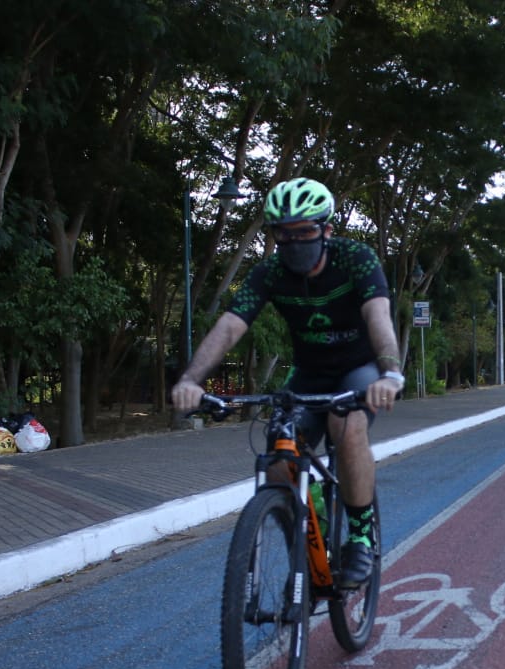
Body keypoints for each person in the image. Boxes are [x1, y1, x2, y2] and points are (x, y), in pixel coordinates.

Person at [171, 177, 404, 586]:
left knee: (344, 425)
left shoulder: (356, 259)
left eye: (305, 233)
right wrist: (191, 379)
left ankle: (362, 539)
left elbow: (378, 317)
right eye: (284, 235)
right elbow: (229, 327)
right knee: (279, 458)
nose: (295, 243)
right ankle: (314, 526)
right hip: (310, 373)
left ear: (326, 230)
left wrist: (390, 372)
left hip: (360, 369)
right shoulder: (270, 273)